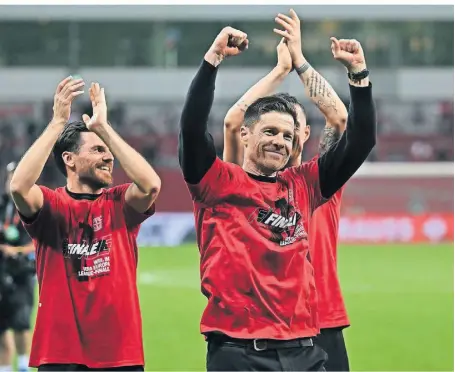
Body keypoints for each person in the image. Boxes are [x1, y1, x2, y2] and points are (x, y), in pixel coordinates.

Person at [178, 20, 375, 371]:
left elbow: (359, 138)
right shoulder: (219, 182)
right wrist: (212, 60)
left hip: (306, 344)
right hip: (239, 349)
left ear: (300, 138)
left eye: (287, 135)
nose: (279, 141)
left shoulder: (306, 184)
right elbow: (193, 129)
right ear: (246, 135)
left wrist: (358, 74)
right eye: (269, 131)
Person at [223, 10, 351, 371]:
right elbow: (234, 122)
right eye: (273, 127)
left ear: (304, 134)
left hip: (321, 317)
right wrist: (278, 72)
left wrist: (300, 62)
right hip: (262, 322)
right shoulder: (242, 183)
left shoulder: (321, 179)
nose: (283, 133)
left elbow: (339, 118)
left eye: (292, 125)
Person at [9, 78, 161, 371]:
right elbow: (18, 187)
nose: (108, 157)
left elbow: (151, 185)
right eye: (96, 150)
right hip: (60, 354)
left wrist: (103, 129)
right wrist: (57, 123)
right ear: (69, 159)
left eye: (107, 151)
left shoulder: (119, 204)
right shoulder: (51, 205)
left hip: (119, 353)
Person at [0, 162, 36, 372]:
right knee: (1, 328)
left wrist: (16, 252)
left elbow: (42, 242)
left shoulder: (33, 208)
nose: (11, 182)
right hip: (2, 275)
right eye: (9, 177)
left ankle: (23, 366)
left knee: (21, 325)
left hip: (22, 275)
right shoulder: (2, 205)